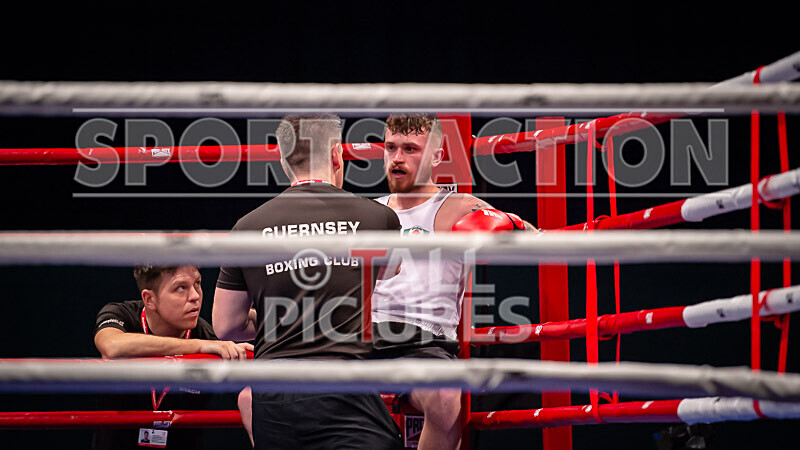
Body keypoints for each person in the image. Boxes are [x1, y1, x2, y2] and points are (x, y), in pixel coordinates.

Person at [213, 114, 404, 450]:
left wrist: (280, 318)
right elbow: (390, 272)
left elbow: (226, 325)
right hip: (345, 390)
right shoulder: (378, 217)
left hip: (275, 398)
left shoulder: (247, 227)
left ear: (283, 160)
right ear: (337, 153)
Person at [372, 113, 538, 450]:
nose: (398, 158)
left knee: (446, 396)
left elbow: (537, 238)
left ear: (436, 155)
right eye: (391, 148)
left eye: (410, 149)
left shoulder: (457, 207)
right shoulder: (367, 212)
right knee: (278, 390)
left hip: (423, 343)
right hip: (360, 336)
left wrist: (509, 224)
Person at [92, 264, 253, 450]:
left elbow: (250, 395)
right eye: (181, 288)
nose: (195, 296)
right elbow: (112, 346)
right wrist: (198, 347)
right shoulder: (121, 315)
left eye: (198, 283)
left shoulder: (210, 339)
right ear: (150, 299)